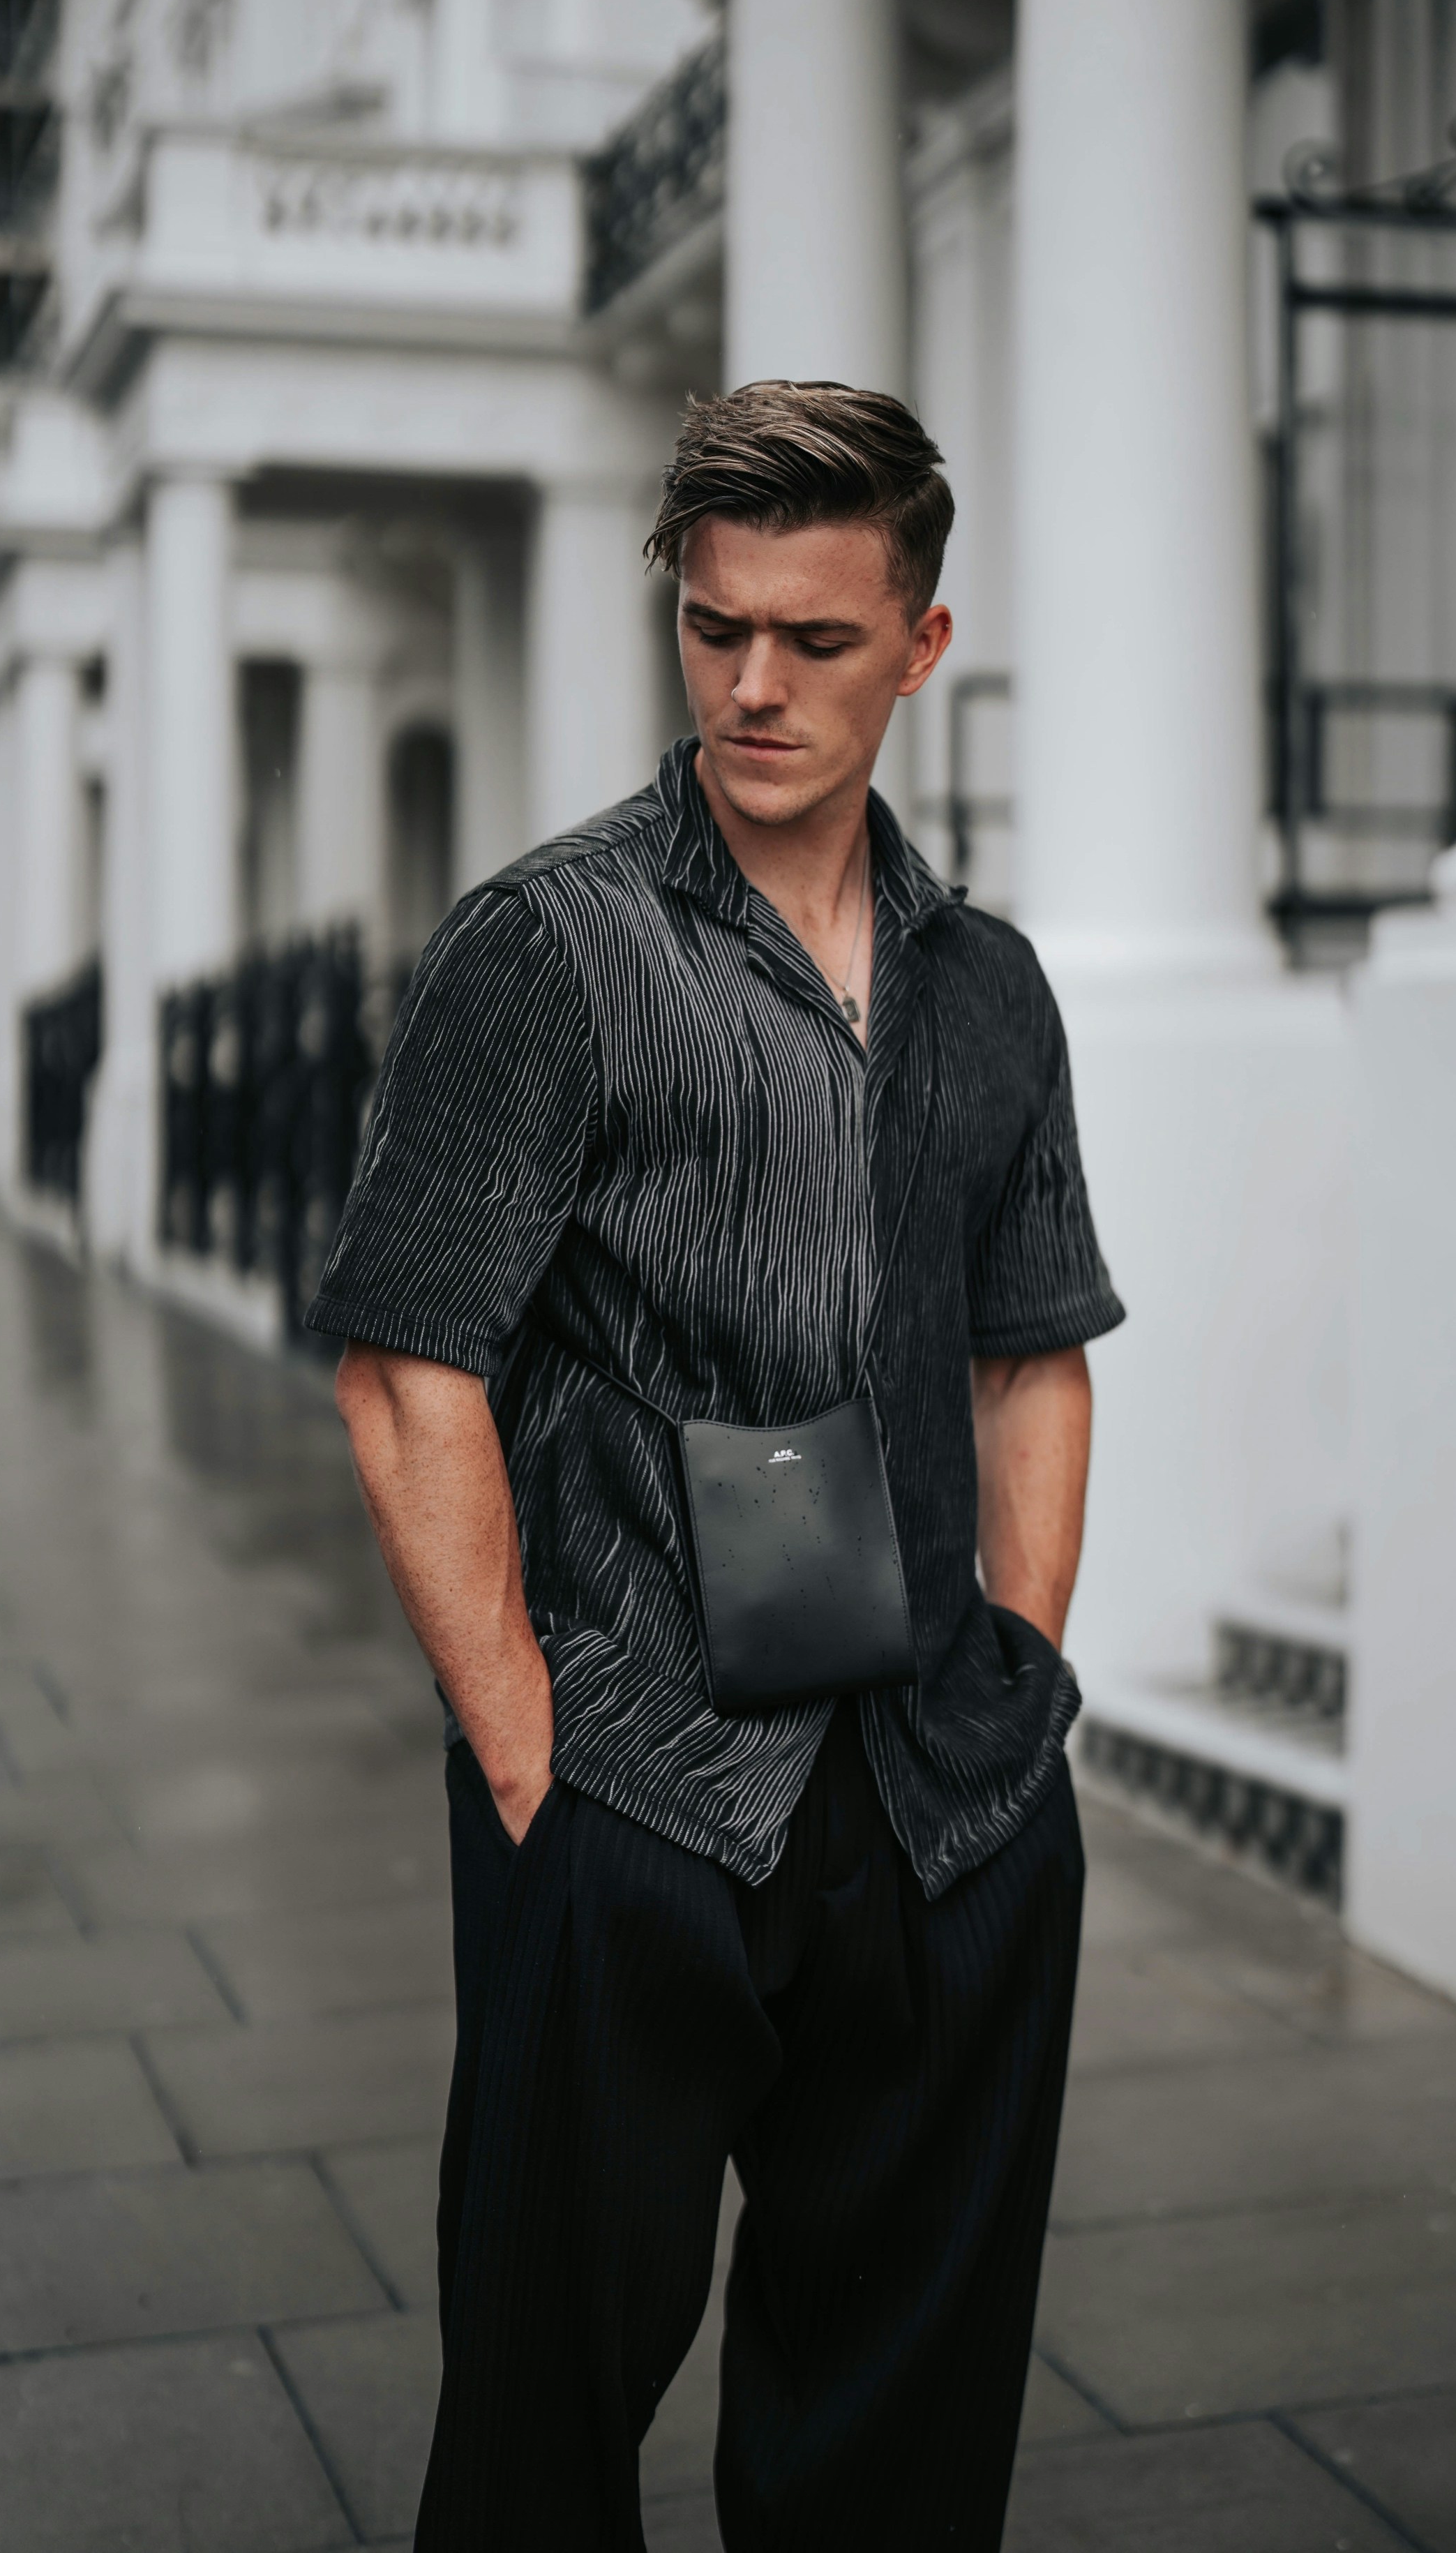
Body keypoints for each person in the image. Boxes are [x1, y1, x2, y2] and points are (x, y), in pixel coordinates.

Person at [313, 380, 1124, 2552]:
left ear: (921, 645)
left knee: (901, 2428)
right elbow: (408, 1369)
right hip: (635, 1785)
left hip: (939, 1811)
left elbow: (1033, 1356)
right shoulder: (547, 945)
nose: (752, 684)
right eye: (712, 626)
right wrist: (529, 1760)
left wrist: (1015, 1692)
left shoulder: (990, 989)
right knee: (542, 2419)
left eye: (816, 639)